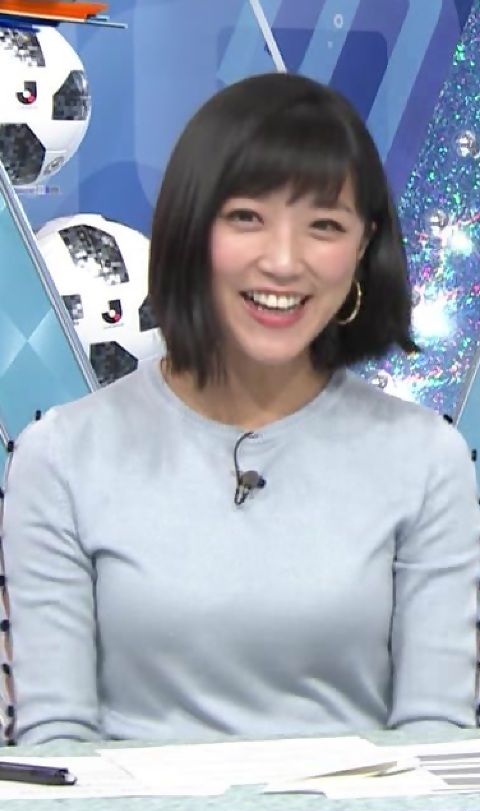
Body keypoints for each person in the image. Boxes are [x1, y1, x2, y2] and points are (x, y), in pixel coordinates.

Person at [2, 72, 479, 746]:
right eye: (247, 218)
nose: (282, 262)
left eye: (324, 226)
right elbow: (57, 741)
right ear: (190, 230)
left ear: (363, 248)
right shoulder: (60, 456)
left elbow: (438, 736)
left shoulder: (427, 460)